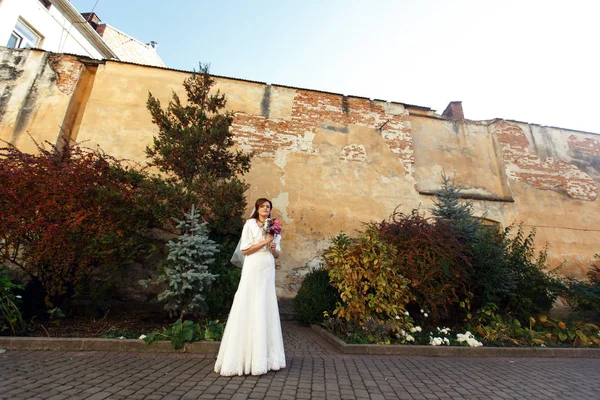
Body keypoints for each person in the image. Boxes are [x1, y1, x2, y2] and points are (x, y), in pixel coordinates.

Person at [214, 198, 286, 376]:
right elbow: (245, 250)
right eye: (262, 206)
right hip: (253, 267)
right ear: (257, 208)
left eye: (268, 207)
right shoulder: (250, 224)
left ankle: (267, 358)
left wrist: (273, 247)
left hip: (267, 268)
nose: (266, 209)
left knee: (265, 305)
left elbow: (277, 255)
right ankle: (244, 357)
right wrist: (264, 241)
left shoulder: (275, 227)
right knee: (249, 303)